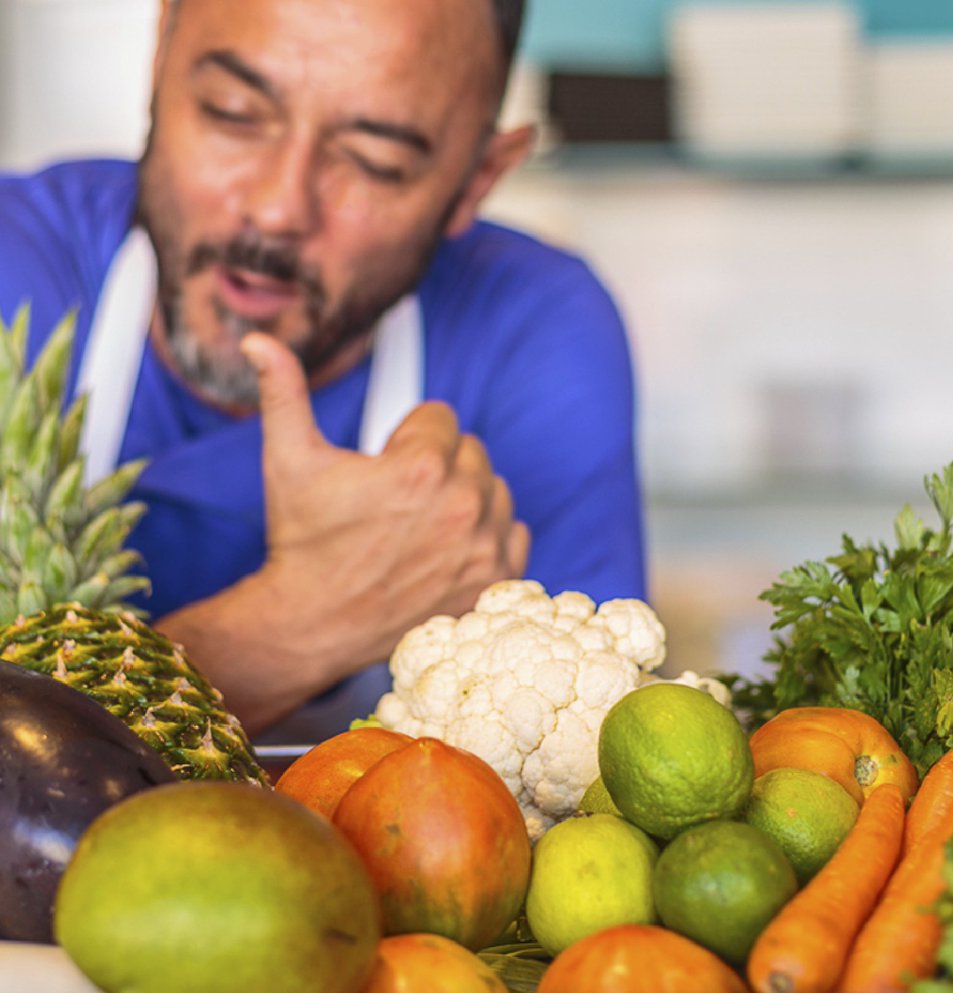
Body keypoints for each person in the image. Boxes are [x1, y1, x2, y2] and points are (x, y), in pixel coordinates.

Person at [0, 0, 646, 742]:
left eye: (375, 161)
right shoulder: (14, 268)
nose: (277, 209)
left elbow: (591, 768)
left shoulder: (532, 332)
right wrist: (292, 629)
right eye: (232, 113)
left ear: (477, 179)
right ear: (159, 60)